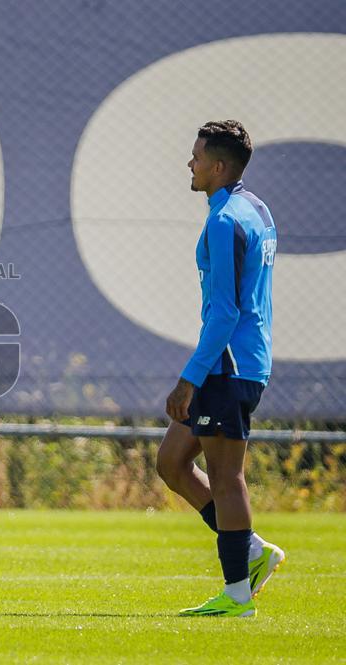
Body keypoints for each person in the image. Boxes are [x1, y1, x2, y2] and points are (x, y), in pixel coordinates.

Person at [157, 120, 283, 618]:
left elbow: (228, 311)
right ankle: (251, 550)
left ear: (218, 166)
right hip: (234, 363)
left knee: (227, 477)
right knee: (171, 462)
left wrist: (189, 377)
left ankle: (237, 595)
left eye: (195, 157)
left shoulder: (226, 219)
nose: (189, 164)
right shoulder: (256, 209)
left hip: (228, 366)